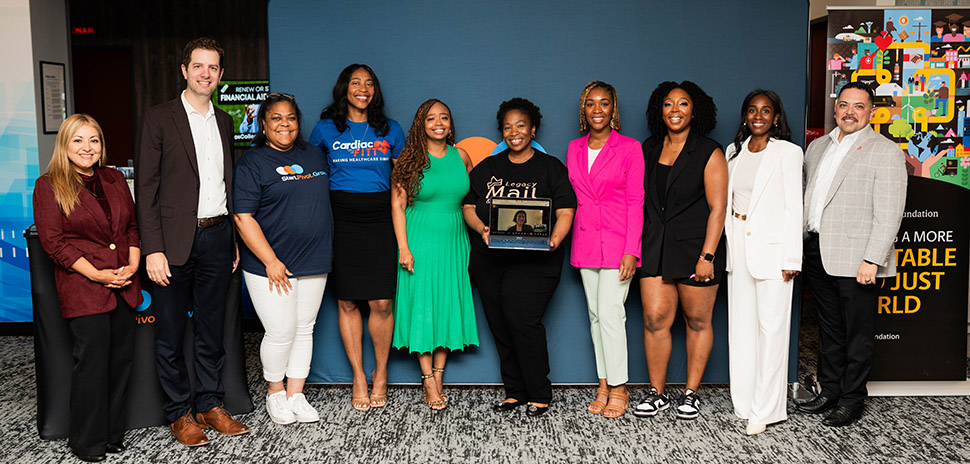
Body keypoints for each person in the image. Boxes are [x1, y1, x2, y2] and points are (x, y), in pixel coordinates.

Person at [135, 37, 249, 447]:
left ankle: (210, 403)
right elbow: (145, 189)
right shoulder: (159, 118)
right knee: (168, 334)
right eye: (198, 66)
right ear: (184, 70)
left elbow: (226, 183)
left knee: (211, 330)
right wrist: (153, 248)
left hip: (218, 237)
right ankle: (179, 413)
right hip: (173, 243)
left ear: (220, 75)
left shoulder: (223, 121)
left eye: (213, 68)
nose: (205, 73)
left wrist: (233, 239)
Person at [797, 82, 907, 427]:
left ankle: (852, 399)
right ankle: (829, 390)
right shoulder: (816, 147)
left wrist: (873, 259)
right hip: (817, 250)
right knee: (828, 330)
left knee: (857, 333)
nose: (849, 112)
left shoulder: (885, 151)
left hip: (857, 258)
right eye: (844, 105)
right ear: (835, 109)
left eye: (859, 106)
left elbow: (890, 213)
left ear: (871, 112)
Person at [34, 114, 142, 462]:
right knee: (92, 365)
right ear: (65, 144)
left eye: (93, 140)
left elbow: (133, 227)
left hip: (124, 283)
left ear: (101, 145)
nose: (87, 147)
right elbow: (55, 244)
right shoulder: (49, 184)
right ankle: (87, 442)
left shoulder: (113, 178)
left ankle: (112, 435)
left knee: (121, 362)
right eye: (78, 140)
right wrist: (98, 275)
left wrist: (135, 263)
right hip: (85, 287)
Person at [463, 98, 576, 417]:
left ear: (533, 129)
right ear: (502, 131)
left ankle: (539, 391)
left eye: (521, 125)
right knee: (500, 324)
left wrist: (555, 238)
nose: (514, 132)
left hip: (537, 262)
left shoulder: (550, 166)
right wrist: (482, 228)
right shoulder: (488, 167)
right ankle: (515, 391)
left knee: (521, 319)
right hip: (490, 259)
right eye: (508, 127)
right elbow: (468, 207)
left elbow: (566, 209)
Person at [309, 64, 405, 411]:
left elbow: (401, 184)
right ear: (344, 89)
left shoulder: (391, 130)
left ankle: (381, 373)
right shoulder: (324, 130)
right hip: (341, 221)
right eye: (355, 83)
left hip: (380, 220)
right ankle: (359, 377)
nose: (362, 89)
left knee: (381, 302)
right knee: (347, 301)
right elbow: (314, 179)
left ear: (375, 91)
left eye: (369, 84)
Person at [233, 93, 334, 425]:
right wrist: (271, 261)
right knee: (280, 331)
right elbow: (243, 217)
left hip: (314, 259)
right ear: (263, 124)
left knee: (305, 328)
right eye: (276, 118)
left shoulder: (315, 155)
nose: (284, 124)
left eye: (290, 117)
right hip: (271, 265)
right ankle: (275, 393)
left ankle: (296, 393)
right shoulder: (252, 162)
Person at [634, 81, 728, 421]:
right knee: (655, 319)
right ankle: (656, 393)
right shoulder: (648, 147)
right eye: (669, 104)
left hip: (695, 249)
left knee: (698, 321)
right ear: (659, 110)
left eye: (683, 104)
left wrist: (708, 256)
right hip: (655, 245)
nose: (675, 110)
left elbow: (719, 208)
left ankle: (691, 393)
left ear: (695, 110)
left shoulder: (709, 151)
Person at [390, 99, 479, 410]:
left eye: (444, 117)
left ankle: (439, 374)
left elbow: (472, 199)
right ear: (421, 124)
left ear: (451, 124)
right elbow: (398, 206)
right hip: (420, 239)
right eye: (431, 118)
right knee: (423, 307)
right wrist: (403, 247)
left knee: (446, 305)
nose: (438, 122)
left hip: (455, 240)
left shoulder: (462, 156)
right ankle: (427, 379)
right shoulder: (408, 160)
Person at [723, 90, 803, 436]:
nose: (758, 115)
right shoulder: (733, 152)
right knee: (741, 327)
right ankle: (744, 399)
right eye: (752, 110)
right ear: (745, 116)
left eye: (765, 111)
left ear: (775, 118)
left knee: (772, 330)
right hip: (738, 245)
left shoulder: (788, 152)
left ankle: (766, 408)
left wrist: (791, 257)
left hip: (773, 251)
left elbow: (793, 207)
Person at [565, 81, 644, 418]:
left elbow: (636, 200)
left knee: (612, 314)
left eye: (604, 104)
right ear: (583, 110)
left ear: (614, 109)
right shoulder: (573, 148)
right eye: (591, 104)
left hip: (617, 243)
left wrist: (632, 250)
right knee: (596, 316)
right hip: (585, 242)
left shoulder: (630, 147)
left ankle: (620, 387)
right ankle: (603, 383)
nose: (598, 110)